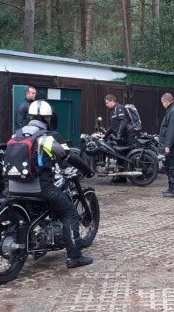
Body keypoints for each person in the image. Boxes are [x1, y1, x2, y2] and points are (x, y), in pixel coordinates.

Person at [9, 100, 95, 268]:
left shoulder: (16, 135)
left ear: (30, 116)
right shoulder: (46, 137)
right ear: (48, 118)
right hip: (40, 188)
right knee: (69, 214)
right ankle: (74, 257)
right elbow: (67, 156)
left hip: (13, 189)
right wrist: (88, 170)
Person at [104, 94, 133, 184]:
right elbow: (112, 126)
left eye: (107, 102)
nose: (106, 104)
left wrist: (119, 134)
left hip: (125, 137)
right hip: (120, 137)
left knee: (122, 156)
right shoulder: (113, 111)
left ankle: (122, 178)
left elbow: (123, 121)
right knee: (119, 156)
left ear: (112, 101)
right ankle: (121, 177)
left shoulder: (119, 108)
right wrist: (104, 135)